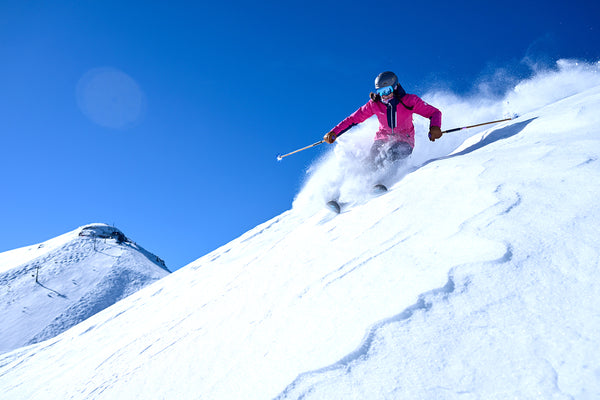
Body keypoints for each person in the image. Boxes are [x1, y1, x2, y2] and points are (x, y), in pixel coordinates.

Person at [323, 71, 443, 167]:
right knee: (371, 159)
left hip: (405, 141)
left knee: (389, 154)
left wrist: (435, 127)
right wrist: (334, 132)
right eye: (380, 92)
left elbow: (434, 113)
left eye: (387, 91)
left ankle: (381, 181)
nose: (384, 95)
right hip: (382, 139)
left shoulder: (409, 101)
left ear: (395, 88)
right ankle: (359, 187)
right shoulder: (374, 104)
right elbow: (353, 119)